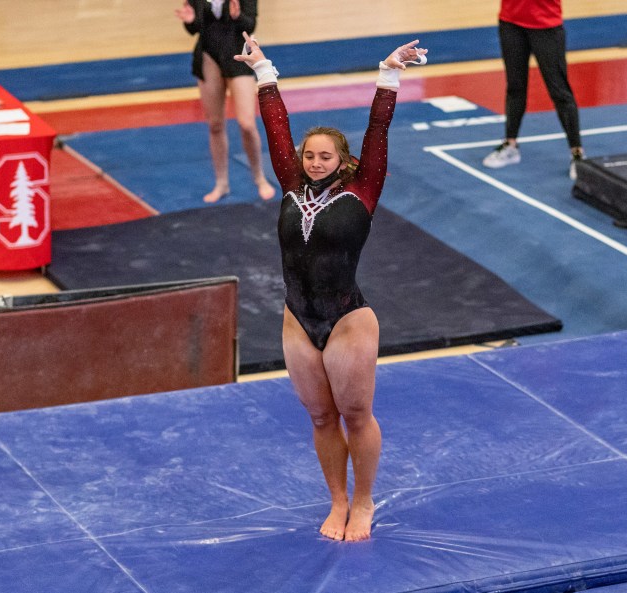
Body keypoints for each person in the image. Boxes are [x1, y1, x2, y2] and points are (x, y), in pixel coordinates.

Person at [235, 34, 427, 542]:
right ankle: (337, 500)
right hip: (297, 319)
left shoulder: (364, 189)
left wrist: (389, 74)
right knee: (321, 415)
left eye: (325, 157)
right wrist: (262, 69)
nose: (315, 162)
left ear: (342, 161)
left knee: (356, 412)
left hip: (346, 319)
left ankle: (363, 500)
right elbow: (277, 126)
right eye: (309, 156)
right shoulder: (290, 183)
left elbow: (378, 128)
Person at [175, 0, 275, 202]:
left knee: (247, 124)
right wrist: (190, 21)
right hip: (208, 56)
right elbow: (195, 28)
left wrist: (238, 16)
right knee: (215, 125)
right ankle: (222, 183)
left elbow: (250, 25)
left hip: (238, 56)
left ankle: (259, 177)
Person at [482, 0, 585, 180]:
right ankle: (510, 144)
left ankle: (577, 154)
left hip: (546, 24)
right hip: (511, 21)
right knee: (515, 87)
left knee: (559, 91)